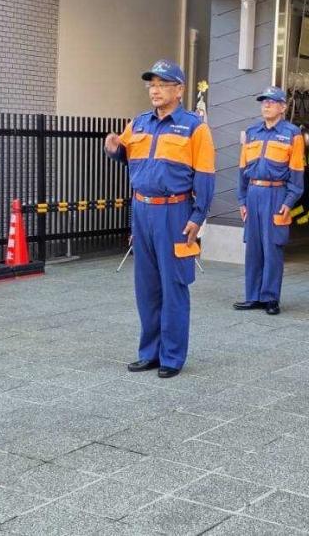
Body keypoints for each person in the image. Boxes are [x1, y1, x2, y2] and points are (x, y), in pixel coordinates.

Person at [104, 60, 215, 378]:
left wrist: (198, 216)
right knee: (147, 287)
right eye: (151, 84)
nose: (155, 89)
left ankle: (171, 357)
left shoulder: (195, 128)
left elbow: (205, 175)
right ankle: (149, 352)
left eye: (163, 84)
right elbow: (126, 156)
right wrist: (113, 149)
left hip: (175, 213)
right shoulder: (138, 124)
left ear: (179, 90)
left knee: (174, 285)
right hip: (142, 211)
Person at [234, 87, 304, 315]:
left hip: (276, 196)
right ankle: (253, 296)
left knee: (273, 247)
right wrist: (242, 200)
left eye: (272, 102)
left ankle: (270, 298)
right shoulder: (252, 132)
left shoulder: (292, 134)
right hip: (254, 194)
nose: (266, 105)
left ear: (283, 107)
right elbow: (243, 169)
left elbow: (296, 172)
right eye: (263, 101)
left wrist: (289, 201)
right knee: (253, 248)